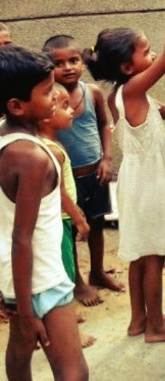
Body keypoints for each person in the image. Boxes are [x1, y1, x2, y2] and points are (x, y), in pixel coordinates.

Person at [85, 0, 165, 342]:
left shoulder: (125, 92)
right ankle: (156, 328)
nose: (151, 56)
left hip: (139, 180)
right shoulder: (133, 88)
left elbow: (162, 112)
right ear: (127, 67)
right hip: (149, 183)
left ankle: (138, 320)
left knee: (140, 256)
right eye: (143, 52)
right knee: (154, 256)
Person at [0, 45, 88, 380]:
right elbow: (23, 237)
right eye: (47, 90)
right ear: (17, 105)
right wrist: (26, 310)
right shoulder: (32, 157)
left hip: (15, 277)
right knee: (74, 372)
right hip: (41, 278)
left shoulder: (5, 137)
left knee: (20, 356)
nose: (56, 95)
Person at [42, 34, 123, 307]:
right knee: (72, 230)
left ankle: (98, 271)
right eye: (59, 63)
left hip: (95, 173)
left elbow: (104, 125)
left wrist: (107, 158)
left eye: (74, 60)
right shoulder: (49, 98)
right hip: (67, 179)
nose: (68, 67)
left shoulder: (93, 93)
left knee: (97, 224)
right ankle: (76, 280)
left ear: (83, 61)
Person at [38, 83, 96, 349]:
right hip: (59, 221)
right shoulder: (54, 151)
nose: (72, 110)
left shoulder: (45, 144)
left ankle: (61, 320)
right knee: (64, 275)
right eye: (63, 107)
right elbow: (60, 193)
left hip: (56, 220)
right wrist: (79, 219)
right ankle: (66, 331)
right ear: (47, 115)